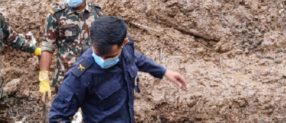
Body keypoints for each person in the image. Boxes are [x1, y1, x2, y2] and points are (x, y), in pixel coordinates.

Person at [49, 16, 187, 123]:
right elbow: (58, 116)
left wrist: (163, 72)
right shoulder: (80, 75)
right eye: (98, 55)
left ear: (124, 43)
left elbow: (136, 58)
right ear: (93, 42)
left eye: (110, 56)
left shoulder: (126, 48)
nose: (103, 60)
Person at [39, 0, 103, 101]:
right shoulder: (56, 15)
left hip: (91, 77)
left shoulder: (97, 13)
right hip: (66, 80)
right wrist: (44, 75)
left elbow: (103, 44)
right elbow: (47, 46)